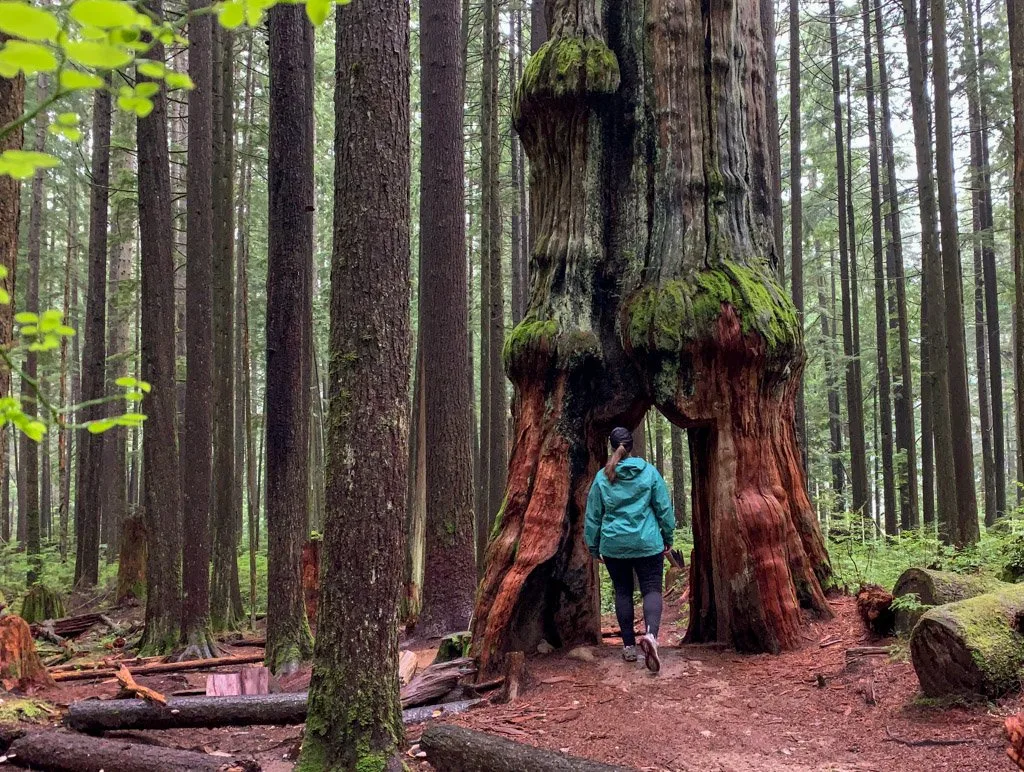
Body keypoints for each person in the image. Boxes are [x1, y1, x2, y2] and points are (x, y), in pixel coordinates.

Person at [584, 426, 675, 673]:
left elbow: (593, 515)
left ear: (612, 447)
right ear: (631, 446)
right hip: (648, 543)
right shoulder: (649, 473)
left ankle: (628, 647)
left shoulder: (604, 476)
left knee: (622, 591)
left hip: (614, 545)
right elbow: (663, 508)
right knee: (651, 589)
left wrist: (594, 547)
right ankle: (651, 637)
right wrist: (668, 536)